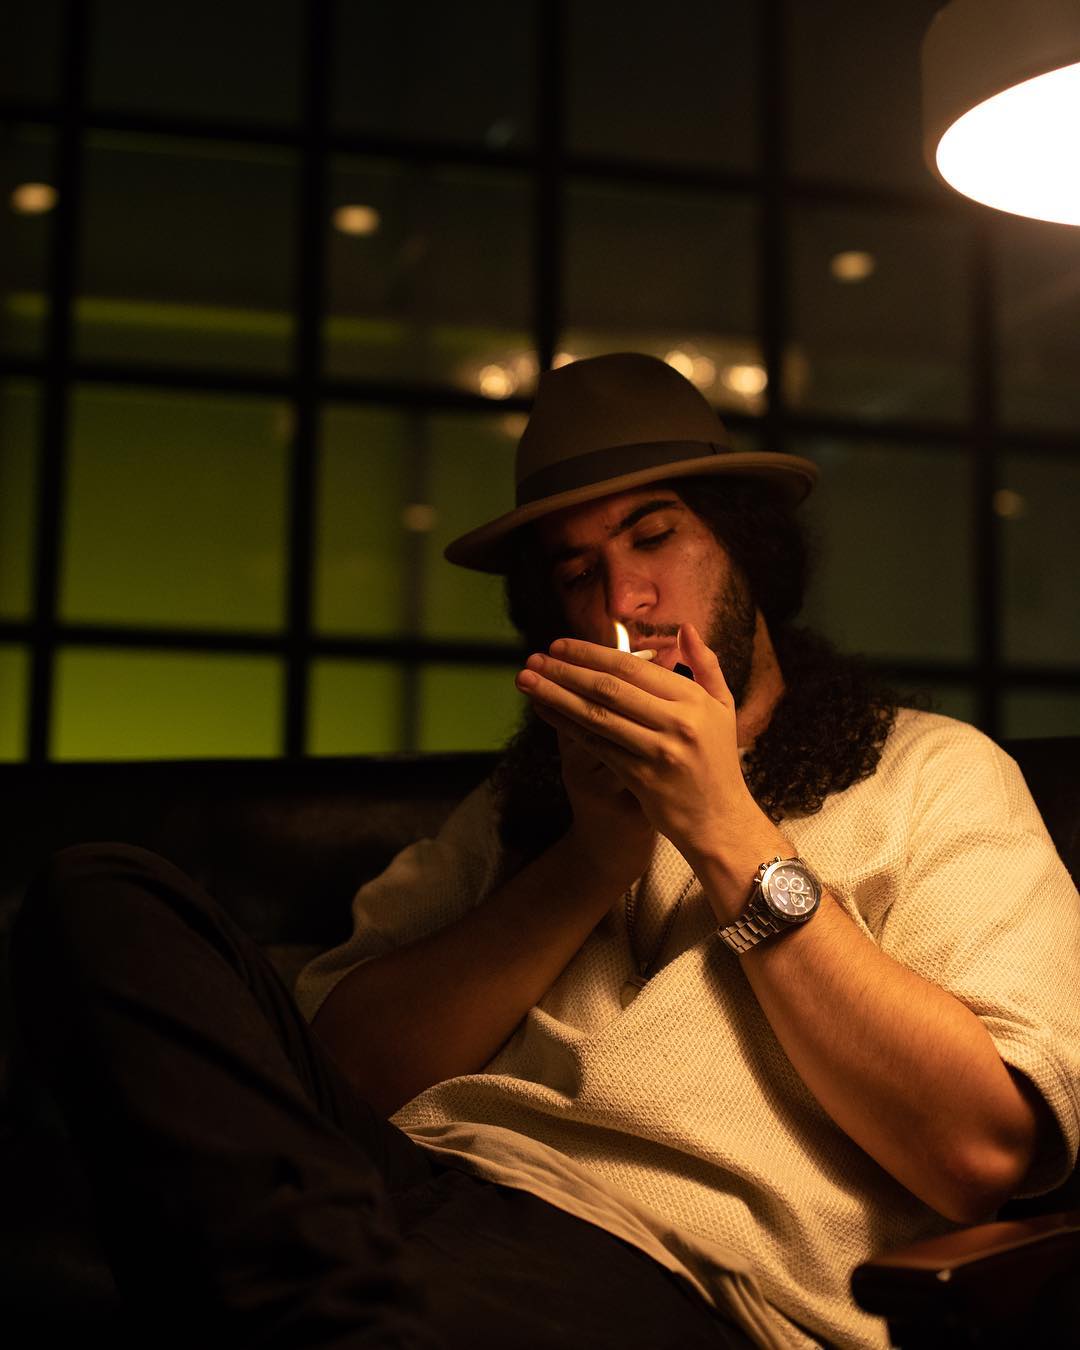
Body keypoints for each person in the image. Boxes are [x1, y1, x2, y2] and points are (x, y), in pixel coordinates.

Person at [14, 354, 1080, 1350]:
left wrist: (724, 827)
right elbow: (328, 1086)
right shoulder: (518, 807)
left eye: (654, 537)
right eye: (577, 573)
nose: (623, 601)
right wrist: (588, 860)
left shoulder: (927, 770)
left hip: (666, 1266)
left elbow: (979, 1152)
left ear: (748, 547)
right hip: (399, 1198)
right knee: (102, 890)